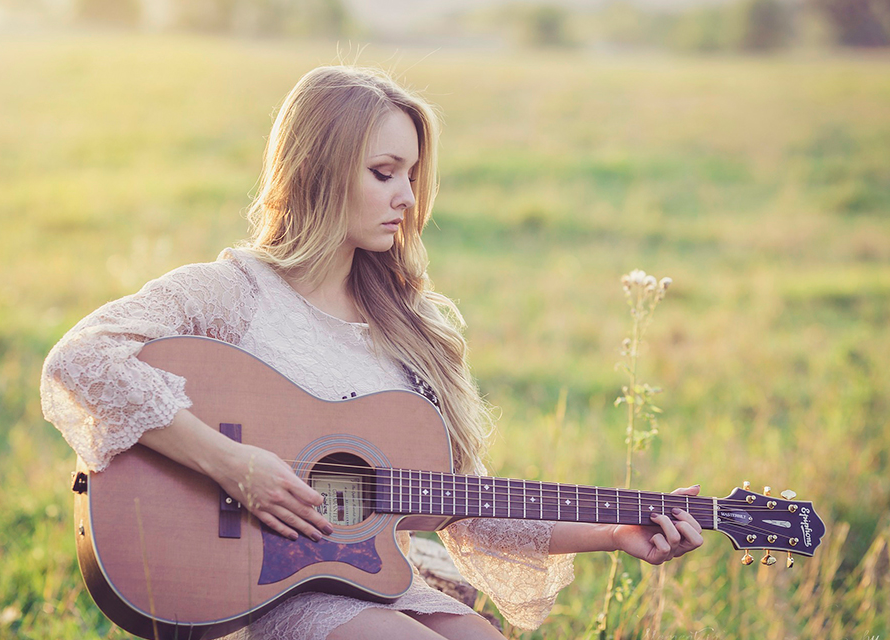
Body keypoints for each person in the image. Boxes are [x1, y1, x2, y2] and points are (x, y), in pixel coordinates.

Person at [41, 65, 704, 640]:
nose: (407, 199)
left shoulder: (413, 327)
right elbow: (80, 360)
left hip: (366, 582)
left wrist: (615, 531)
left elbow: (460, 506)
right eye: (385, 173)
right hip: (258, 590)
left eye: (413, 175)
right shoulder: (230, 293)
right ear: (317, 172)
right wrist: (234, 465)